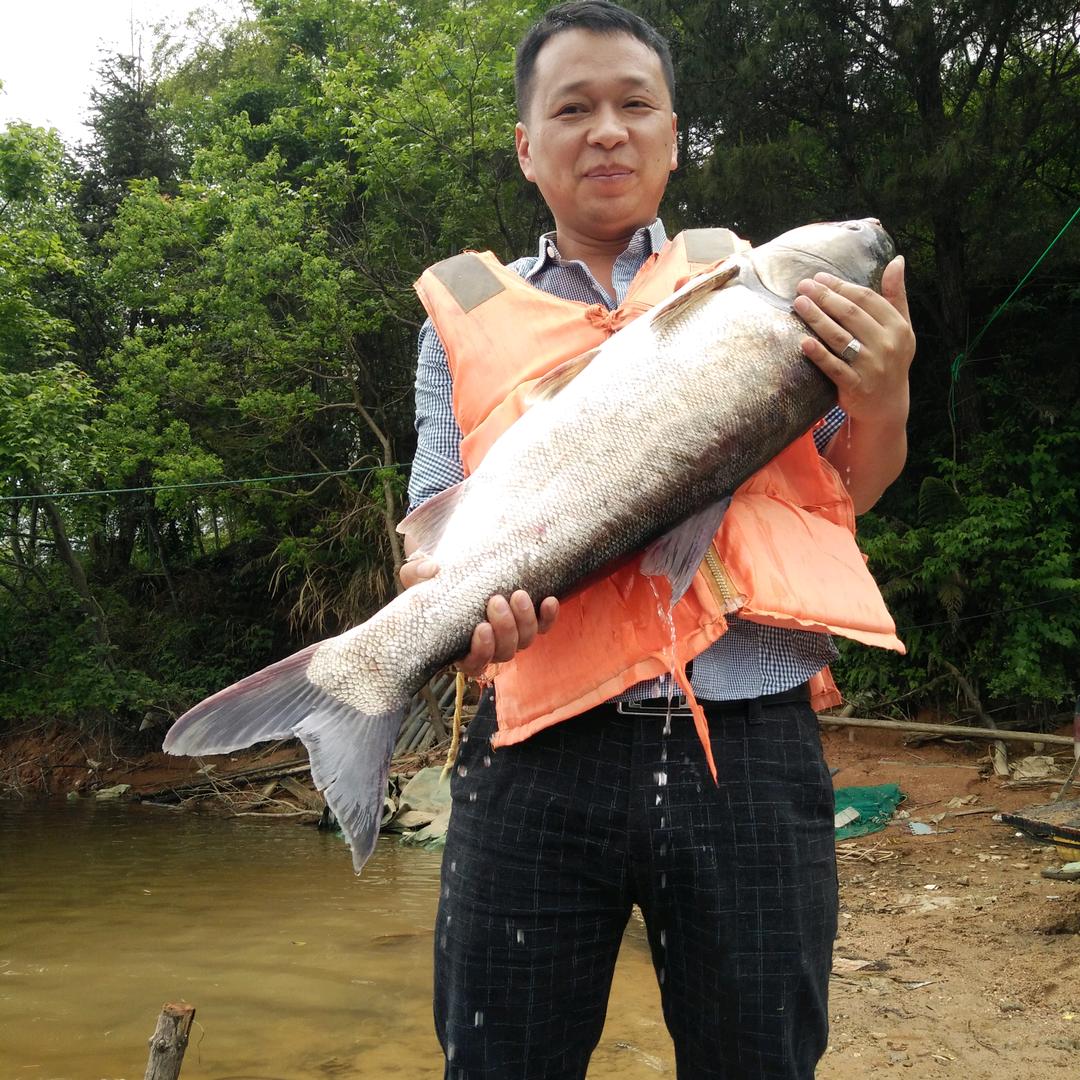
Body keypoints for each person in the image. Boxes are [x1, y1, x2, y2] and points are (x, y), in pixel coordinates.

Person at [401, 3, 916, 1077]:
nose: (607, 130)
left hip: (752, 744)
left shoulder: (769, 289)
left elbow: (849, 487)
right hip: (537, 753)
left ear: (675, 137)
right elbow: (435, 522)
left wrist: (886, 392)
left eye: (636, 105)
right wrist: (440, 609)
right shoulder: (457, 322)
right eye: (573, 109)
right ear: (526, 147)